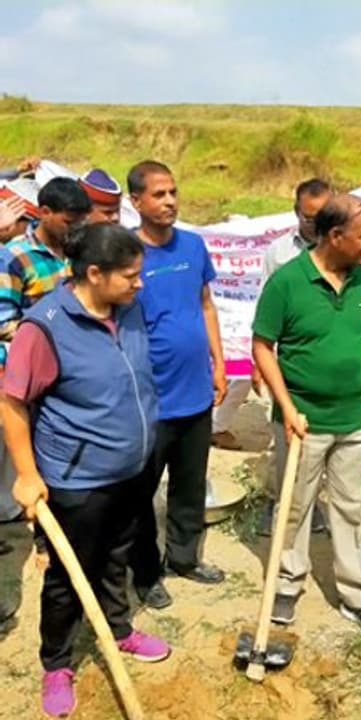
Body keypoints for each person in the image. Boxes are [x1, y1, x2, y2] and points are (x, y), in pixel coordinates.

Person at [4, 224, 172, 717]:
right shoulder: (45, 326)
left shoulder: (130, 308)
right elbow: (12, 402)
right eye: (129, 275)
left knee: (116, 557)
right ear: (93, 274)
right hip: (77, 480)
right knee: (66, 577)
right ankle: (57, 664)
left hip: (133, 467)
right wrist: (26, 475)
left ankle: (118, 631)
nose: (139, 284)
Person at [251, 194, 361, 639]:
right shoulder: (288, 282)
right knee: (295, 505)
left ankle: (358, 594)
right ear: (335, 236)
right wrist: (287, 407)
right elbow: (262, 346)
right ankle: (287, 583)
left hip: (355, 417)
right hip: (303, 420)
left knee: (353, 507)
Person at [126, 161, 228, 610]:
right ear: (136, 202)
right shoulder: (126, 254)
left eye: (173, 192)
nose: (169, 202)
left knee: (190, 484)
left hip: (195, 392)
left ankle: (184, 558)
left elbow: (206, 305)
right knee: (141, 492)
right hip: (149, 400)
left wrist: (219, 364)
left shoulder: (193, 245)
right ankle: (146, 574)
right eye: (158, 194)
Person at [0, 178, 89, 530]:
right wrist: (49, 338)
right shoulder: (14, 257)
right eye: (69, 221)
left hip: (71, 370)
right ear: (45, 213)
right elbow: (4, 321)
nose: (77, 228)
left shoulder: (79, 253)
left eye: (81, 220)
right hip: (28, 372)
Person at [248, 178, 333, 538]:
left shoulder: (343, 252)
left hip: (329, 364)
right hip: (289, 364)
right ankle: (280, 503)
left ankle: (310, 505)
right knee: (286, 438)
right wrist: (259, 362)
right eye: (308, 216)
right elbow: (265, 309)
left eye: (322, 216)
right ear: (296, 212)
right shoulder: (279, 252)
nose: (314, 224)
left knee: (324, 440)